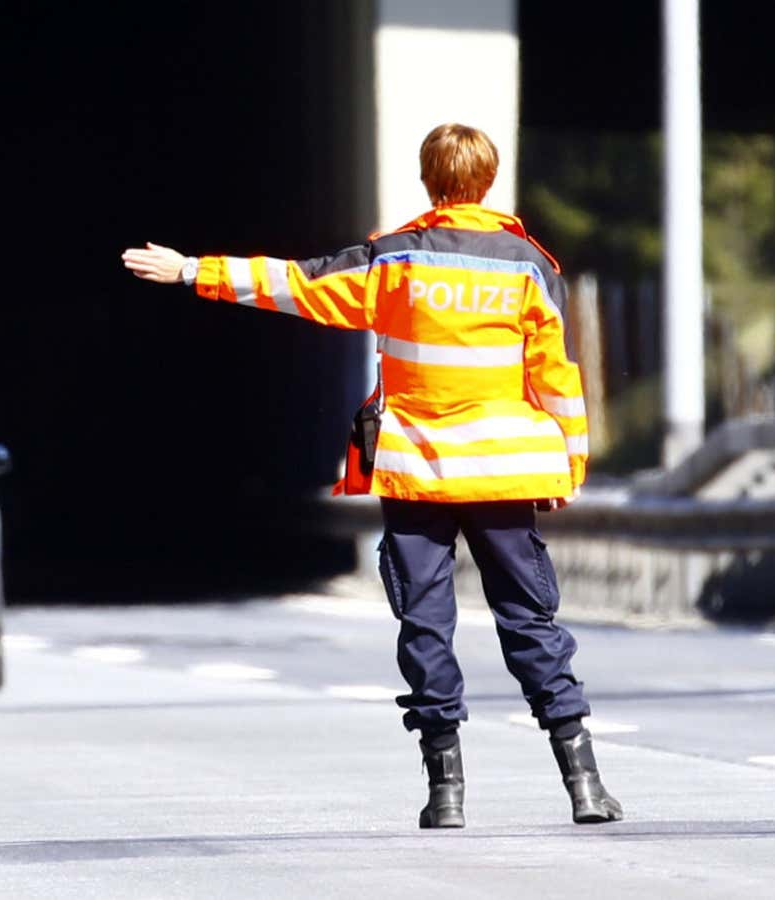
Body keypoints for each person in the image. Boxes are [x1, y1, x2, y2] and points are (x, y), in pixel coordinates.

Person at [121, 123, 622, 828]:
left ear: (429, 180)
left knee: (426, 623)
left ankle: (445, 793)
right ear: (487, 179)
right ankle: (585, 785)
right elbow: (557, 377)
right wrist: (569, 460)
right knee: (530, 623)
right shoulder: (529, 266)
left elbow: (296, 284)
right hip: (504, 477)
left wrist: (191, 270)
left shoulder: (396, 260)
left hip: (417, 474)